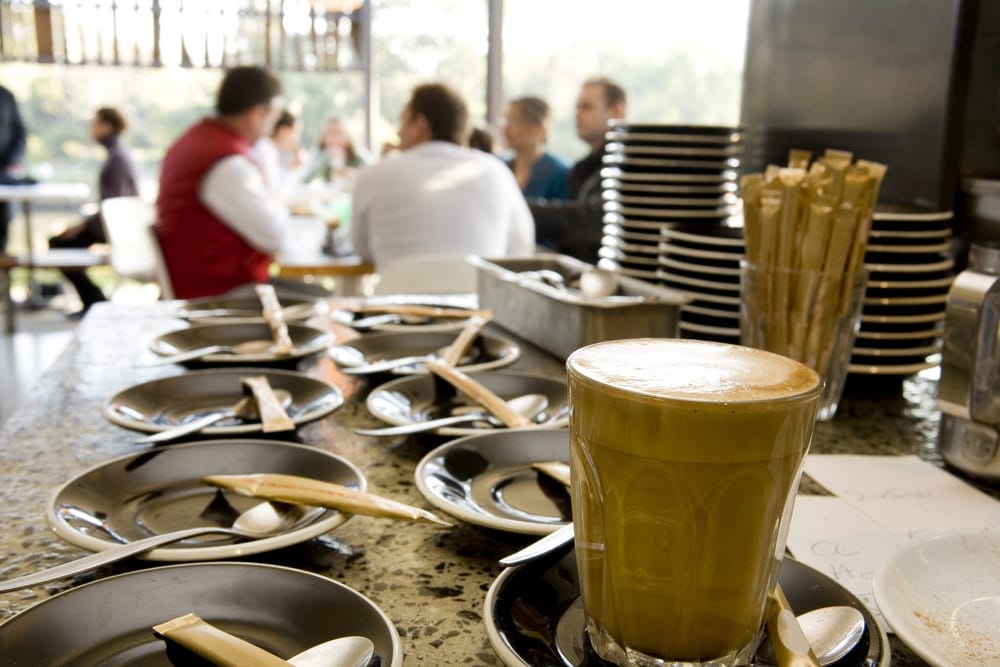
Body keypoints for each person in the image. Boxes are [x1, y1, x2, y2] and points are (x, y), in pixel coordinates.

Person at [350, 82, 534, 270]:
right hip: (480, 298)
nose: (398, 132)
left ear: (420, 125)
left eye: (403, 121)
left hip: (398, 297)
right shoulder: (496, 171)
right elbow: (521, 246)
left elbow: (362, 250)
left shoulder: (373, 175)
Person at [156, 66, 288, 299]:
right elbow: (277, 237)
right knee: (334, 311)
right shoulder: (227, 162)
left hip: (201, 284)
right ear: (257, 114)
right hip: (218, 294)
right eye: (273, 119)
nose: (270, 130)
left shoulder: (199, 141)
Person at [47, 107, 139, 315]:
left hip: (116, 227)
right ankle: (93, 300)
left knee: (58, 244)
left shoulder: (117, 158)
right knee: (61, 241)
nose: (91, 129)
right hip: (111, 223)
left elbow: (114, 204)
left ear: (107, 126)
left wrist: (85, 224)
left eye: (94, 123)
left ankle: (94, 301)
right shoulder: (118, 154)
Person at [528, 77, 626, 263]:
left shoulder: (626, 169)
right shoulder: (582, 170)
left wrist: (523, 210)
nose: (577, 114)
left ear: (616, 111)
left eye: (587, 107)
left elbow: (595, 221)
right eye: (577, 107)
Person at [503, 96, 568, 200]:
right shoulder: (502, 168)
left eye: (514, 121)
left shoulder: (560, 174)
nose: (505, 128)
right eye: (507, 120)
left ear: (539, 128)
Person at [300, 116, 369, 185]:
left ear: (347, 135)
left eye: (338, 133)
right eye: (330, 133)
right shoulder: (318, 153)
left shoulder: (358, 153)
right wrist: (326, 158)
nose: (335, 138)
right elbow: (304, 180)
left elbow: (374, 173)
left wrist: (355, 173)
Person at [0, 85, 27, 254]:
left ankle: (3, 278)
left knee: (1, 231)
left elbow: (20, 133)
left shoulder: (6, 96)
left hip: (3, 175)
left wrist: (13, 161)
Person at [251, 109, 302, 195]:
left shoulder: (268, 150)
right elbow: (276, 194)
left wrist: (291, 168)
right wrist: (291, 170)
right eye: (296, 132)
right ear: (283, 131)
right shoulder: (265, 151)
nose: (298, 139)